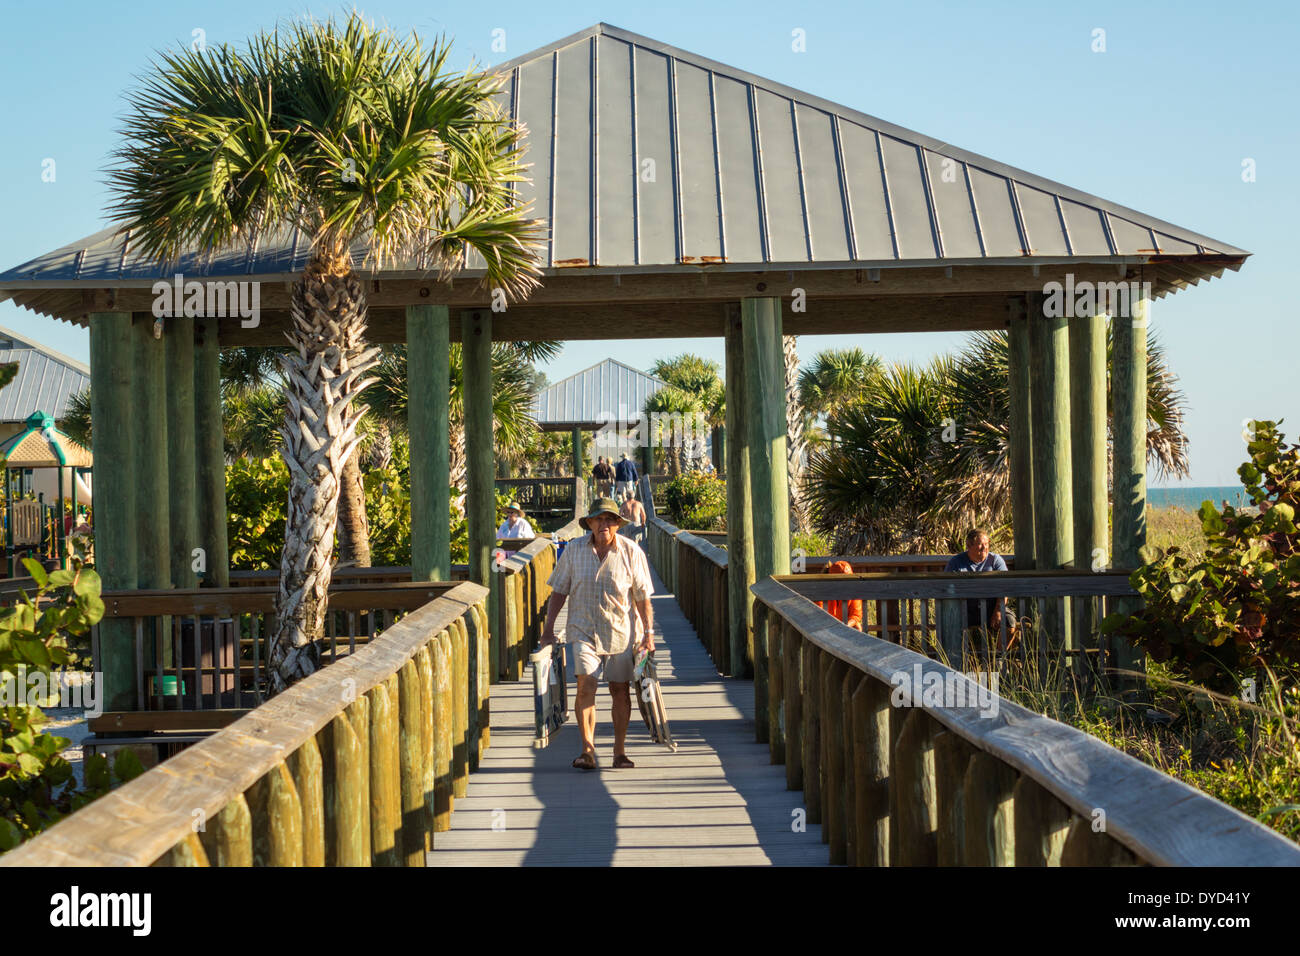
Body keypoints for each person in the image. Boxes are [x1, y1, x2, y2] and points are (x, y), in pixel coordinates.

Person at [541, 497, 654, 771]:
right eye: (598, 519)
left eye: (609, 519)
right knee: (585, 685)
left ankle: (619, 751)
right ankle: (588, 750)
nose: (603, 524)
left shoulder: (631, 552)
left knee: (619, 689)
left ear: (617, 524)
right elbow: (559, 591)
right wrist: (548, 630)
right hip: (582, 629)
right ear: (589, 523)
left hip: (621, 632)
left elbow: (642, 598)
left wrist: (648, 633)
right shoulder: (574, 550)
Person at [945, 529, 1010, 655]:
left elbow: (1005, 587)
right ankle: (957, 659)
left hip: (992, 607)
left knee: (1010, 622)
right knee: (949, 622)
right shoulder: (956, 562)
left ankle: (998, 658)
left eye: (987, 544)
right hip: (965, 608)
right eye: (980, 544)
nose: (984, 547)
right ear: (969, 546)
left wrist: (997, 610)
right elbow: (947, 587)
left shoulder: (995, 560)